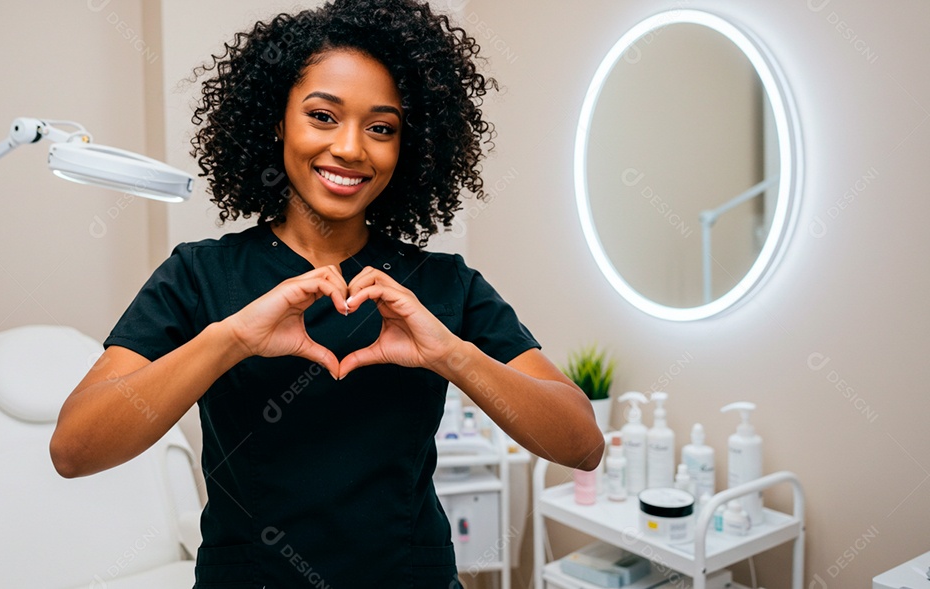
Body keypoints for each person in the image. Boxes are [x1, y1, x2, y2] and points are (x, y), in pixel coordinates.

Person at [50, 0, 603, 586]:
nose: (350, 149)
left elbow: (581, 443)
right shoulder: (199, 277)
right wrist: (230, 339)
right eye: (323, 116)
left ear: (407, 147)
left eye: (382, 128)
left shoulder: (444, 284)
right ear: (275, 121)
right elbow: (76, 449)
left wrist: (452, 356)